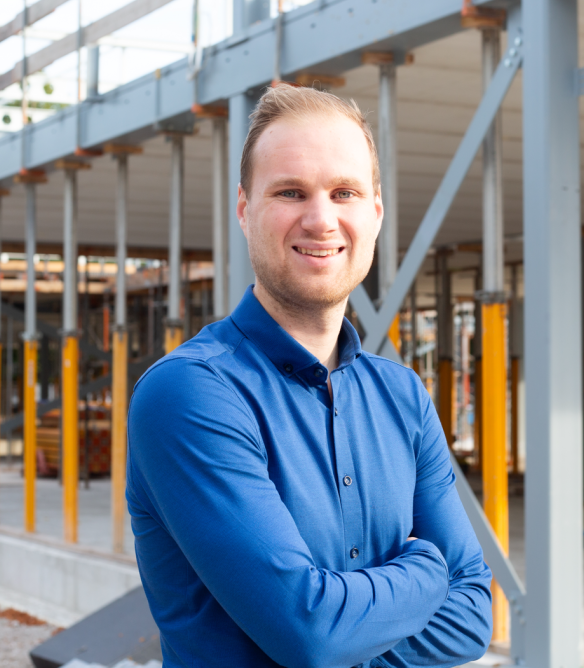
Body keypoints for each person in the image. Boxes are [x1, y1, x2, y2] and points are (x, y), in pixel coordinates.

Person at [126, 85, 492, 667]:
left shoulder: (402, 396)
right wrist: (426, 569)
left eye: (344, 192)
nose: (321, 220)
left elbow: (472, 617)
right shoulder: (190, 394)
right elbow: (311, 633)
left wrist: (348, 626)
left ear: (375, 212)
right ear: (245, 210)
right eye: (291, 192)